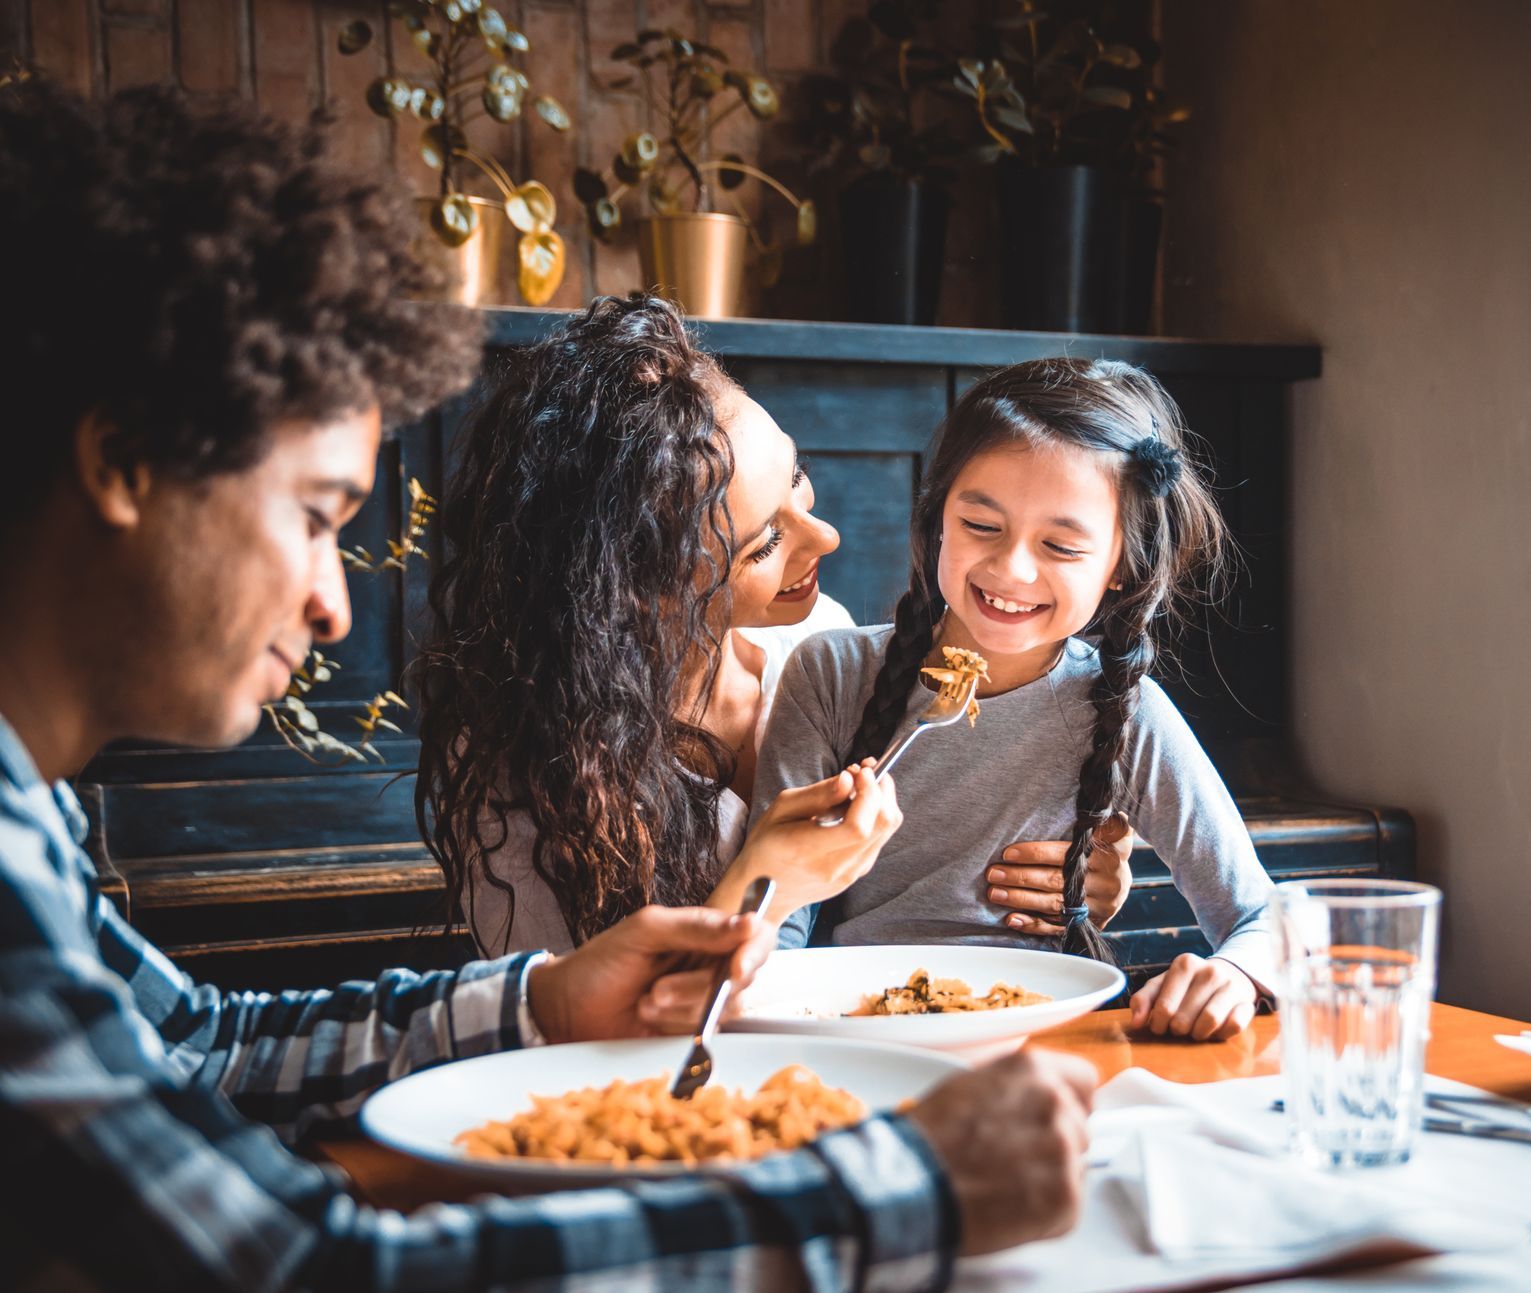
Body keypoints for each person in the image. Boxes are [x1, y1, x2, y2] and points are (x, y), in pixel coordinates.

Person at [0, 77, 1094, 1290]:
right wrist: (901, 1194)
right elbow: (310, 1272)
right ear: (121, 461)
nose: (334, 605)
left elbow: (195, 1049)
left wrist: (545, 1006)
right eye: (315, 518)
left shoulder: (25, 815)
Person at [414, 296, 1135, 964]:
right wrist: (764, 883)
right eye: (762, 545)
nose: (824, 538)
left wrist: (1066, 880)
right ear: (631, 589)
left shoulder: (820, 643)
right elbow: (568, 1031)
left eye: (798, 476)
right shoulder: (521, 779)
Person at [756, 358, 1277, 1043]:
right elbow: (773, 924)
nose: (1012, 570)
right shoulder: (830, 674)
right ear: (937, 512)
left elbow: (1261, 916)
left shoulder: (1125, 713)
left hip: (1046, 1042)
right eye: (981, 525)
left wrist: (1236, 974)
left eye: (1061, 544)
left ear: (1120, 566)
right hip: (853, 1033)